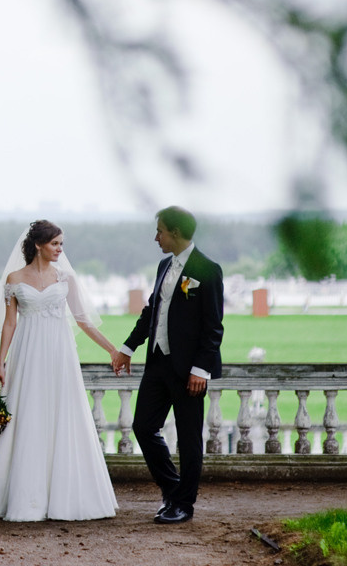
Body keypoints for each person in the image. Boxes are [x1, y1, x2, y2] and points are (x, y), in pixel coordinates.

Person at [0, 220, 119, 522]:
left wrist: (112, 350)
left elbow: (84, 321)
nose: (60, 249)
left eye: (62, 244)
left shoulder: (66, 278)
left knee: (64, 414)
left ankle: (65, 495)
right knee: (25, 414)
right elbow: (10, 323)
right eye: (55, 244)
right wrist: (0, 363)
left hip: (60, 355)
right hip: (27, 353)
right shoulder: (14, 278)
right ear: (38, 245)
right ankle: (23, 496)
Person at [111, 206, 224, 525]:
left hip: (190, 371)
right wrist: (128, 347)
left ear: (175, 232)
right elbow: (152, 312)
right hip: (158, 364)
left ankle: (183, 504)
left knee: (189, 439)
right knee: (143, 427)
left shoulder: (208, 269)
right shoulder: (164, 265)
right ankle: (172, 488)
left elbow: (213, 326)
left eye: (160, 230)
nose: (156, 236)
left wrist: (201, 370)